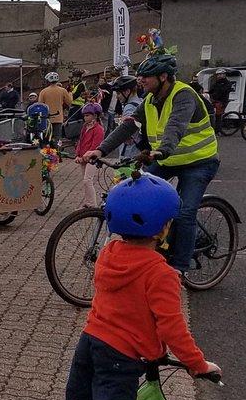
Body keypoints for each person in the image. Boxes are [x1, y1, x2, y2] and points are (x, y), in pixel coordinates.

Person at [55, 174, 219, 400]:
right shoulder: (158, 272)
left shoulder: (109, 255)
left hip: (90, 344)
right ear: (163, 227)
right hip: (120, 357)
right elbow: (173, 327)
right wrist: (196, 363)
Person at [81, 48, 219, 274]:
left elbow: (176, 125)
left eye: (146, 77)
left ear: (163, 76)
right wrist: (100, 150)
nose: (141, 80)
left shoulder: (184, 95)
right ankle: (152, 250)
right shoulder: (149, 100)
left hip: (198, 162)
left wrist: (162, 150)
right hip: (167, 160)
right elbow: (128, 125)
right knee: (140, 195)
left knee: (184, 213)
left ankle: (179, 269)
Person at [75, 102, 105, 207]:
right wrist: (78, 154)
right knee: (85, 181)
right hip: (83, 157)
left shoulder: (99, 129)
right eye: (84, 115)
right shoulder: (85, 127)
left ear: (95, 116)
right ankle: (88, 203)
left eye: (87, 115)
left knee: (88, 180)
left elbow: (95, 146)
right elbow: (81, 141)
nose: (85, 118)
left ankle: (92, 204)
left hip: (93, 159)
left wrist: (83, 158)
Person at [109, 75, 143, 160]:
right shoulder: (140, 102)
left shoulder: (129, 107)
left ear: (128, 91)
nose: (117, 96)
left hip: (130, 152)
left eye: (119, 93)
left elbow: (127, 131)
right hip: (140, 149)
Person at [38, 72, 72, 144]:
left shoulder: (43, 92)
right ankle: (58, 152)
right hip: (58, 117)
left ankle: (47, 152)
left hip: (46, 118)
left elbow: (40, 105)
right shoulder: (62, 90)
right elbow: (69, 102)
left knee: (47, 137)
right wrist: (70, 93)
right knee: (58, 137)